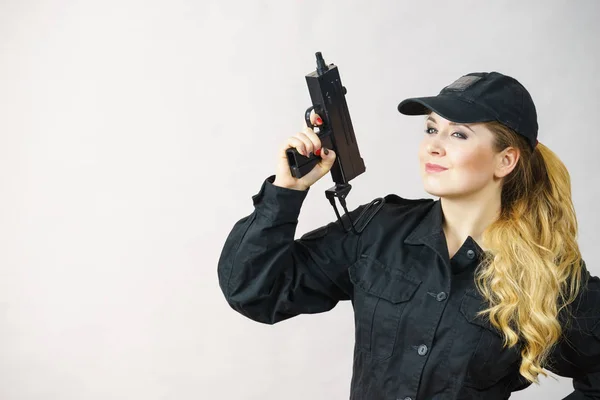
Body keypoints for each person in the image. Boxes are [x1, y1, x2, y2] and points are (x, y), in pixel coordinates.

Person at [216, 71, 600, 399]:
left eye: (459, 135)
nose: (433, 144)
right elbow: (254, 291)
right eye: (431, 128)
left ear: (506, 160)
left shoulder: (547, 275)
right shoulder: (378, 229)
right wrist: (287, 191)